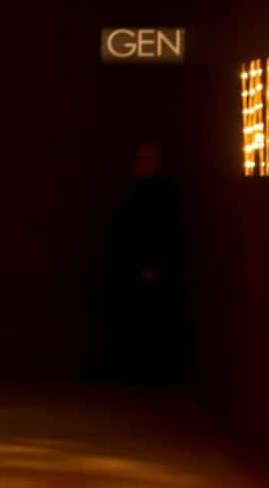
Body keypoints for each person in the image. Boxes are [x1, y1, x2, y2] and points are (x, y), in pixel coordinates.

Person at [88, 140, 188, 384]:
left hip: (147, 270)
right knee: (133, 321)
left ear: (156, 161)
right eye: (137, 158)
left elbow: (163, 232)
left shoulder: (161, 193)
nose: (137, 164)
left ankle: (146, 374)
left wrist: (153, 266)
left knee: (146, 323)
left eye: (143, 159)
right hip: (134, 268)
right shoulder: (141, 190)